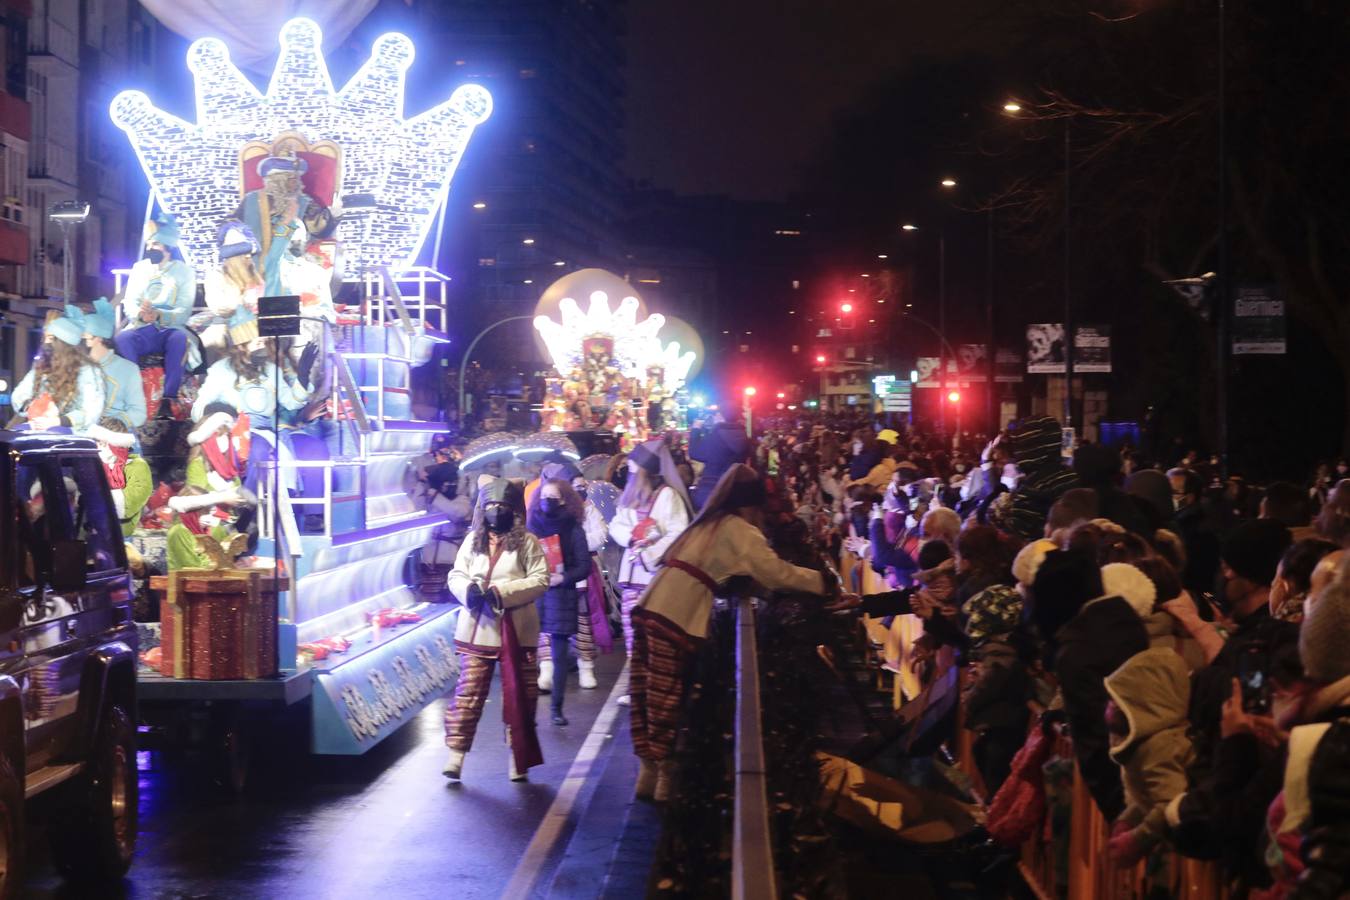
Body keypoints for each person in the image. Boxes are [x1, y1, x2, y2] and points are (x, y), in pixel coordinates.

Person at [629, 464, 845, 801]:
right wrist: (824, 582)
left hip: (652, 605)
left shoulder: (710, 522)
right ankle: (664, 781)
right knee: (667, 699)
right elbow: (777, 574)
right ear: (753, 505)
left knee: (647, 695)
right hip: (677, 614)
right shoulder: (739, 530)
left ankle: (648, 773)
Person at [444, 477, 548, 782]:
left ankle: (518, 758)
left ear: (513, 509)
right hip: (477, 630)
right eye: (490, 505)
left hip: (518, 630)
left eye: (502, 505)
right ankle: (456, 755)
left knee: (522, 696)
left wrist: (502, 593)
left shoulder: (528, 542)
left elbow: (540, 579)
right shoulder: (472, 540)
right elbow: (456, 574)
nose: (496, 510)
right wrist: (468, 591)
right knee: (468, 694)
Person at [609, 439, 692, 704]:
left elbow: (679, 533)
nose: (629, 469)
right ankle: (637, 687)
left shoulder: (669, 496)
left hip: (655, 578)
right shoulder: (630, 497)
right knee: (633, 634)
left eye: (633, 465)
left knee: (654, 636)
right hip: (632, 578)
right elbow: (616, 525)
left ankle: (655, 687)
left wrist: (650, 553)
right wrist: (633, 539)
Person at [1103, 646, 1195, 867]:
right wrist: (1129, 818)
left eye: (1118, 701)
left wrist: (1136, 840)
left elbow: (1169, 803)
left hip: (1180, 850)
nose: (1109, 706)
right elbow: (1152, 792)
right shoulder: (1147, 742)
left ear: (1144, 701)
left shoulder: (1159, 746)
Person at [115, 216, 197, 418]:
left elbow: (184, 310)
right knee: (122, 339)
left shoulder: (184, 271)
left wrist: (159, 315)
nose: (151, 247)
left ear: (168, 246)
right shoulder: (140, 268)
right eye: (149, 243)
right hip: (142, 327)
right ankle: (134, 394)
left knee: (179, 340)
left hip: (169, 329)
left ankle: (168, 399)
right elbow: (130, 302)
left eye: (156, 243)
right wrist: (141, 314)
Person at [527, 478, 592, 725]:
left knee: (559, 654)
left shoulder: (574, 528)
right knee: (527, 653)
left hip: (560, 594)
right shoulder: (531, 526)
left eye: (552, 497)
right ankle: (528, 709)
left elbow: (584, 565)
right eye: (543, 496)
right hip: (534, 592)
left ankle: (557, 707)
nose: (547, 501)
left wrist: (562, 578)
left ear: (564, 499)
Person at [11, 314, 105, 432]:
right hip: (39, 425)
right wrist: (34, 406)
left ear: (63, 344)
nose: (45, 342)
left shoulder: (88, 371)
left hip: (73, 432)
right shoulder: (42, 365)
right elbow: (19, 394)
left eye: (50, 338)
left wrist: (57, 421)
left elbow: (91, 412)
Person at [989, 416, 1078, 541]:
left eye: (1020, 445)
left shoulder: (1034, 486)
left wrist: (996, 517)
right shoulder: (1070, 475)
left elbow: (1017, 537)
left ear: (1030, 448)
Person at [68, 298, 146, 433]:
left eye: (84, 335)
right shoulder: (75, 366)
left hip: (113, 439)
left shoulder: (128, 369)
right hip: (77, 435)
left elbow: (139, 413)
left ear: (98, 338)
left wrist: (116, 422)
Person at [688, 411, 751, 510]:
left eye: (716, 414)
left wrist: (696, 430)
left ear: (722, 416)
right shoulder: (743, 435)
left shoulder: (717, 436)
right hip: (736, 488)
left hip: (714, 489)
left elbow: (695, 452)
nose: (714, 417)